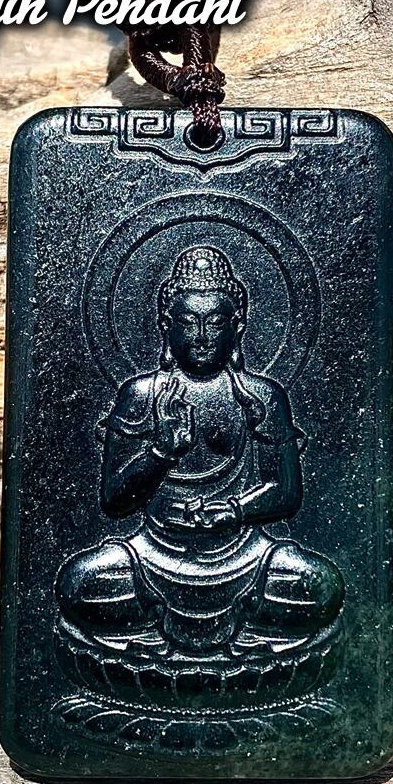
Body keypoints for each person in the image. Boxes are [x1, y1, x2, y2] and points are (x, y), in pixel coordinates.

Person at [57, 246, 343, 655]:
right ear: (166, 326)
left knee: (320, 585)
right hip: (152, 553)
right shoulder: (140, 395)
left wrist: (236, 511)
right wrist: (161, 453)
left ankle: (155, 648)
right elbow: (114, 499)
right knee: (79, 584)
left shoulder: (262, 396)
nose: (203, 336)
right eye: (189, 323)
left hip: (244, 555)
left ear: (237, 327)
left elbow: (286, 491)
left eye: (216, 322)